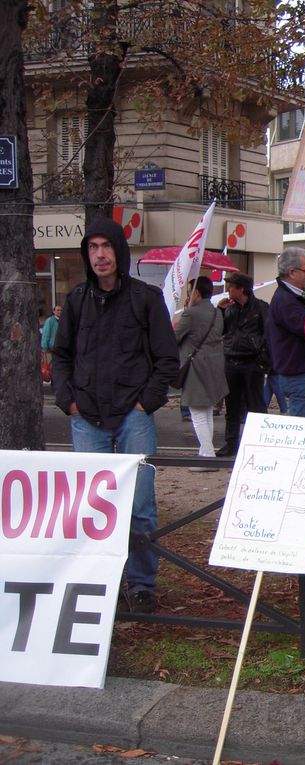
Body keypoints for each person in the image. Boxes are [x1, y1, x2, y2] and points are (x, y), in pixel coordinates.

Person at [51, 217, 179, 614]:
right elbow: (61, 357)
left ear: (119, 251)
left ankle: (141, 583)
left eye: (106, 246)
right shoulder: (75, 300)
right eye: (93, 248)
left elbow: (167, 360)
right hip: (85, 418)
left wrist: (145, 404)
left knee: (140, 506)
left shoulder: (145, 298)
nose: (100, 255)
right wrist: (67, 400)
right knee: (92, 509)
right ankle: (97, 582)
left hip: (133, 418)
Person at [175, 276, 229, 471]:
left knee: (197, 413)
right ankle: (206, 451)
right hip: (214, 365)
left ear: (196, 293)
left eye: (190, 292)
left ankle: (207, 455)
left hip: (196, 366)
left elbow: (175, 337)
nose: (188, 296)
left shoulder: (191, 314)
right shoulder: (217, 313)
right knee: (206, 412)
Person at [267, 246, 305, 418]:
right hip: (299, 374)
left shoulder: (298, 295)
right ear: (292, 272)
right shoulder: (285, 301)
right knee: (304, 430)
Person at [216, 272, 269, 457]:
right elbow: (220, 332)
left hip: (252, 362)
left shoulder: (260, 308)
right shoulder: (229, 309)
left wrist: (263, 360)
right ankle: (231, 443)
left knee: (256, 406)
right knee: (232, 406)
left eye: (231, 286)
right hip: (232, 360)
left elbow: (268, 334)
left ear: (241, 289)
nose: (228, 289)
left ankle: (258, 443)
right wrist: (221, 312)